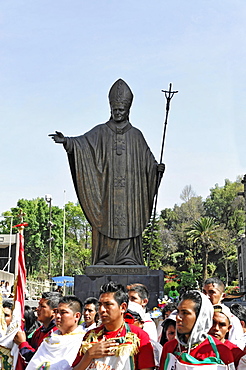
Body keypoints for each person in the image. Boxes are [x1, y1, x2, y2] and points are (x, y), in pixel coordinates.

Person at [49, 79, 165, 265]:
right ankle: (105, 258)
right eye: (115, 110)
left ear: (128, 110)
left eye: (121, 110)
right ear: (110, 108)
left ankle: (129, 258)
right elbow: (83, 144)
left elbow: (148, 161)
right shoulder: (101, 131)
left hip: (129, 196)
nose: (118, 113)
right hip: (106, 192)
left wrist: (156, 170)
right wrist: (68, 142)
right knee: (105, 220)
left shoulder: (136, 135)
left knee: (129, 221)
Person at [74, 281, 155, 370]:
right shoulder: (90, 336)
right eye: (100, 305)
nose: (101, 310)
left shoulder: (139, 336)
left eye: (108, 304)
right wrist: (88, 355)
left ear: (123, 307)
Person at [160, 290, 235, 369]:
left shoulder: (221, 351)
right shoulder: (170, 347)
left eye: (185, 313)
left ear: (201, 317)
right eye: (178, 312)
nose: (178, 317)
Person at [26, 295, 84, 369]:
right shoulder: (48, 340)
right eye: (57, 312)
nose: (58, 316)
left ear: (77, 316)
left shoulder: (82, 342)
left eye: (63, 312)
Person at [14, 291, 61, 365]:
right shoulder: (39, 330)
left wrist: (22, 343)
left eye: (42, 306)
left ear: (54, 311)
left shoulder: (57, 334)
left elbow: (39, 360)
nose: (37, 309)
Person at [203, 277, 244, 349]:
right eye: (204, 292)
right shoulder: (198, 316)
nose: (206, 296)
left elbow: (235, 347)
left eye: (211, 292)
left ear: (223, 296)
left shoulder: (232, 320)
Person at [208, 303, 245, 368]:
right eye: (212, 322)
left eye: (222, 325)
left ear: (229, 328)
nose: (216, 328)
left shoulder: (236, 353)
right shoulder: (191, 346)